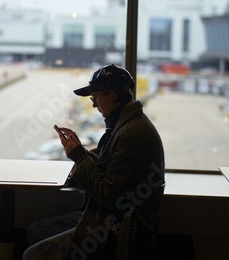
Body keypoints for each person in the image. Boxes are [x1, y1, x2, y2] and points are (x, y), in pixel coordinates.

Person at [23, 64, 165, 260]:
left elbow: (108, 195)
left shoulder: (131, 133)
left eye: (95, 97)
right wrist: (79, 151)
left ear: (112, 96)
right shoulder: (127, 124)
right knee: (36, 231)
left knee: (33, 256)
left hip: (116, 230)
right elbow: (109, 174)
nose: (94, 105)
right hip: (115, 219)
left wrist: (80, 157)